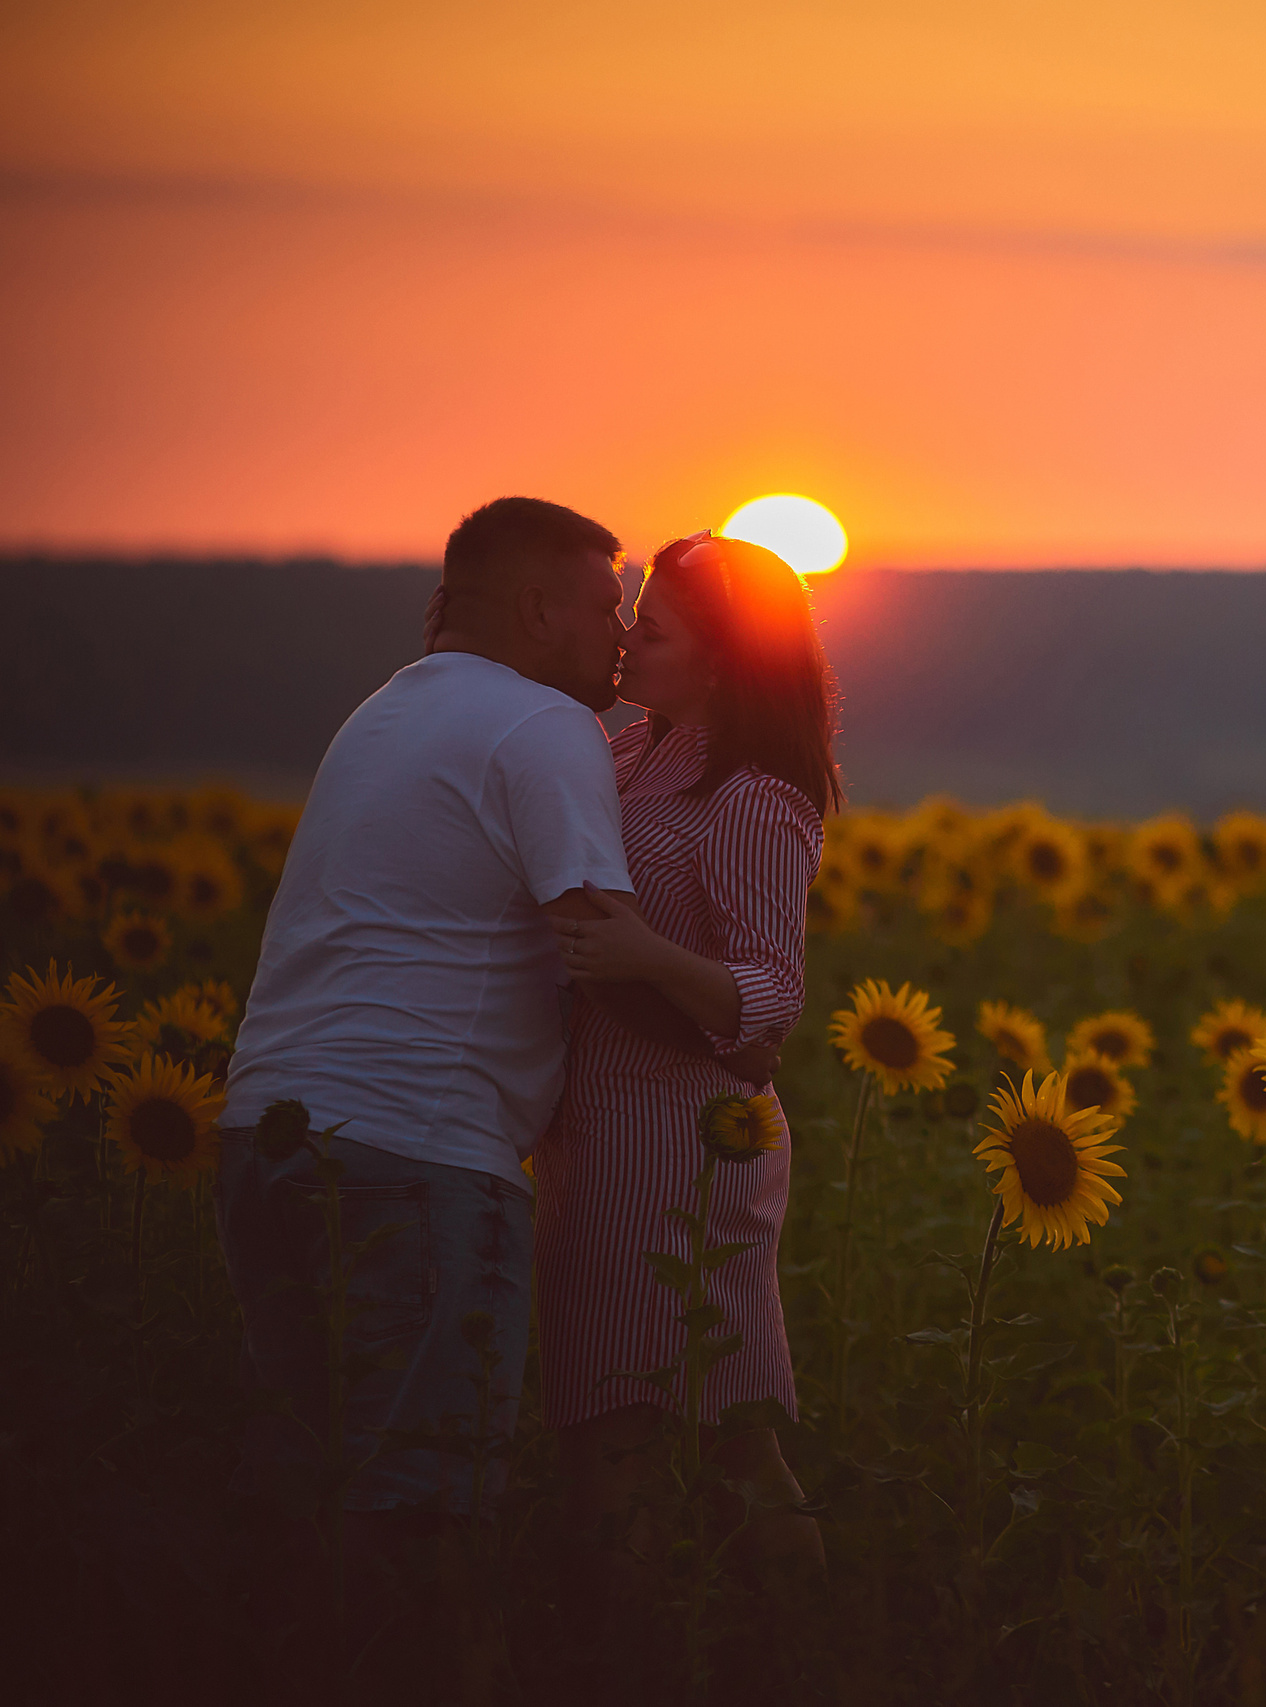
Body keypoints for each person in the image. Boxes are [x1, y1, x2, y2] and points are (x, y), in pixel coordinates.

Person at [214, 497, 753, 1705]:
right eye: (608, 607)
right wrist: (741, 1025)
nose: (619, 641)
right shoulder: (539, 725)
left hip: (268, 1135)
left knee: (314, 1493)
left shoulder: (384, 713)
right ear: (536, 609)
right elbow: (598, 935)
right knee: (427, 1515)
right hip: (419, 1153)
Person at [530, 530, 840, 1653]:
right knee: (605, 1415)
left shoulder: (755, 795)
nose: (622, 642)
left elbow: (770, 1002)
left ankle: (776, 1652)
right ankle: (658, 1646)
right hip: (596, 1124)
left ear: (720, 659)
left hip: (685, 1135)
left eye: (650, 629)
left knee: (705, 1429)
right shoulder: (625, 756)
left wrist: (644, 959)